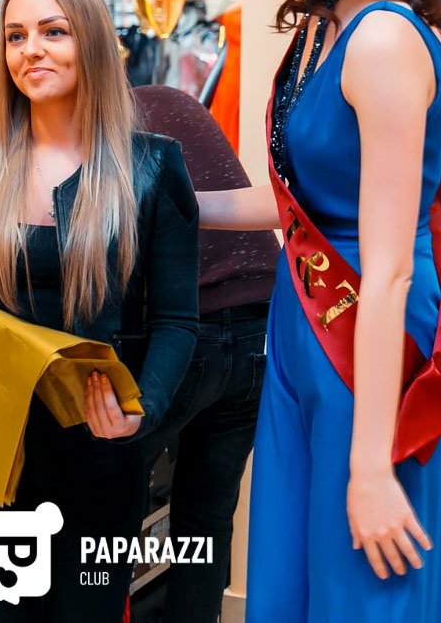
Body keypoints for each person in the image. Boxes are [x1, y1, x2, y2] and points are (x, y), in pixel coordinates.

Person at [198, 0, 441, 620]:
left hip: (366, 327)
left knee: (361, 582)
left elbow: (389, 268)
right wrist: (175, 202)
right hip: (304, 319)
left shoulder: (383, 40)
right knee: (291, 566)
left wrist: (371, 464)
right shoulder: (323, 25)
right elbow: (299, 204)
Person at [0, 0, 199, 622]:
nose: (31, 50)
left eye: (53, 32)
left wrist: (141, 411)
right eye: (15, 36)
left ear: (92, 43)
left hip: (97, 447)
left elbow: (178, 320)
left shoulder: (151, 165)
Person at [132, 85, 278, 623]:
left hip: (188, 329)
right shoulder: (173, 99)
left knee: (106, 507)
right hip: (263, 322)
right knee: (207, 520)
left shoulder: (96, 127)